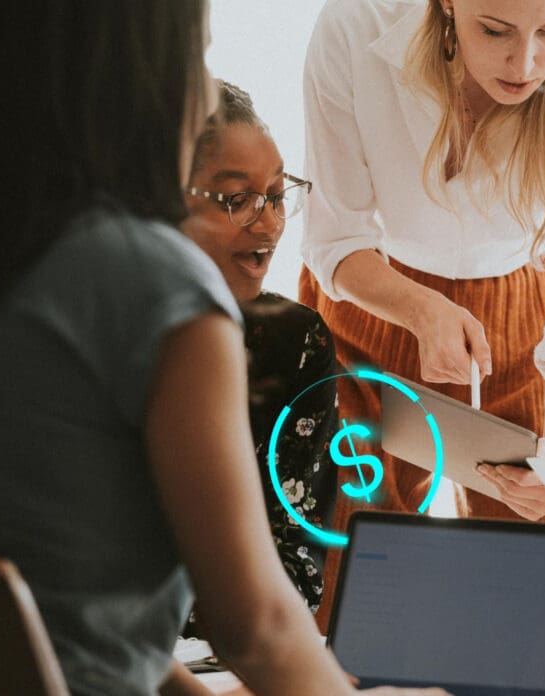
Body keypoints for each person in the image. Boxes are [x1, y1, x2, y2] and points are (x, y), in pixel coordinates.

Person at [0, 4, 443, 696]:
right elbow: (258, 629)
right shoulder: (153, 285)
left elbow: (87, 634)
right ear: (141, 77)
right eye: (196, 55)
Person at [299, 0, 545, 631]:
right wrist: (420, 309)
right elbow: (334, 241)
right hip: (371, 299)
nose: (526, 62)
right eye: (495, 30)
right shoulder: (354, 25)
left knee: (519, 598)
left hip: (526, 320)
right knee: (344, 586)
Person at [182, 80, 338, 615]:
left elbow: (296, 561)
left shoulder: (297, 343)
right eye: (237, 200)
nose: (269, 223)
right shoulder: (88, 332)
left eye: (275, 195)